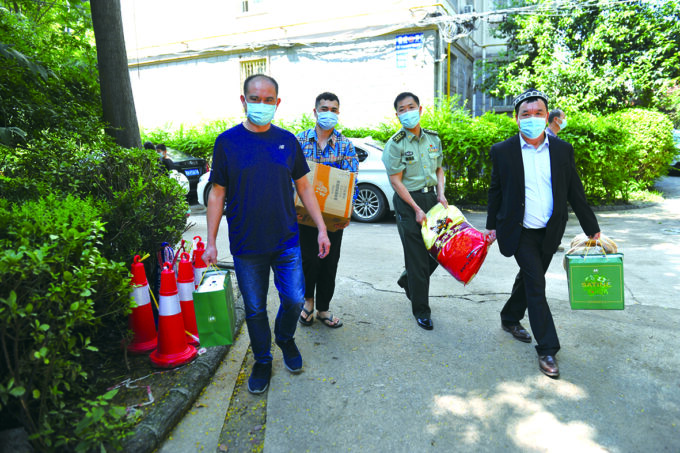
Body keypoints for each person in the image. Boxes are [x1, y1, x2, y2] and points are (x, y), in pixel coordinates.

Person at [204, 74, 331, 394]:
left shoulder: (287, 141)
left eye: (268, 100)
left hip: (285, 240)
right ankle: (262, 359)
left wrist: (321, 228)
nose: (262, 105)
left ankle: (285, 338)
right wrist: (210, 241)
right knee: (255, 309)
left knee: (294, 300)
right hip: (247, 245)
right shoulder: (227, 142)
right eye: (255, 99)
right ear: (243, 101)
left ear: (277, 102)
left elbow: (305, 187)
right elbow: (217, 193)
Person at [485, 88, 601, 378]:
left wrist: (592, 228)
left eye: (538, 113)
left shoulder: (562, 150)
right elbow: (496, 190)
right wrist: (491, 226)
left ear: (547, 116)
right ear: (516, 119)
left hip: (550, 231)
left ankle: (509, 317)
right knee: (537, 285)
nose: (532, 118)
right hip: (519, 231)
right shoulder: (502, 151)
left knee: (528, 278)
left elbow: (575, 191)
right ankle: (547, 348)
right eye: (526, 114)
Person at [381, 92, 447, 331]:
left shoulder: (433, 138)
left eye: (411, 107)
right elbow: (396, 181)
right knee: (417, 257)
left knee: (440, 252)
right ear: (397, 115)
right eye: (402, 109)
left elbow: (439, 169)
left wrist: (441, 194)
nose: (407, 112)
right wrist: (417, 209)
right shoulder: (395, 144)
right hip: (408, 201)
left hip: (432, 199)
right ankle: (421, 310)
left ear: (420, 110)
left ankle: (408, 279)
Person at [296, 92, 358, 329]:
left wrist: (346, 213)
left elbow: (351, 182)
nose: (329, 114)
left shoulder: (345, 145)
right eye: (324, 109)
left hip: (332, 219)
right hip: (303, 216)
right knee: (308, 261)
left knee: (329, 262)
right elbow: (290, 178)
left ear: (338, 113)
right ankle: (308, 302)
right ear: (315, 112)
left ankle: (323, 308)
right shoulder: (299, 141)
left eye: (333, 110)